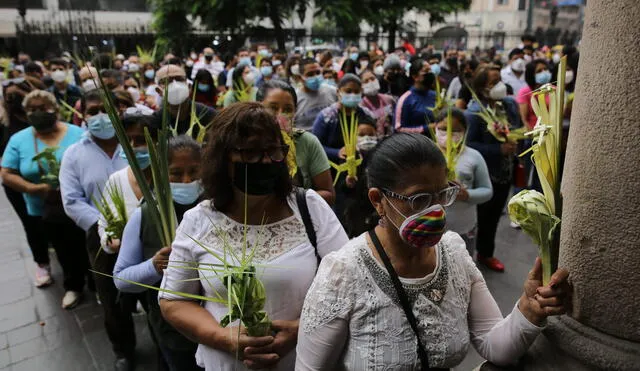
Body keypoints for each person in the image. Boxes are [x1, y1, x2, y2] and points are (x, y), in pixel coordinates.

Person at [296, 132, 571, 370]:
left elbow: (494, 345)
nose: (436, 210)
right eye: (420, 199)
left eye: (442, 194)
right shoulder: (342, 271)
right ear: (378, 200)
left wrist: (529, 309)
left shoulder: (453, 252)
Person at [157, 103, 349, 371]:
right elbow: (174, 300)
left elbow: (349, 285)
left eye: (273, 150)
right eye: (250, 153)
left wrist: (302, 328)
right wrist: (224, 338)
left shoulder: (310, 207)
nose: (266, 161)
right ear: (222, 159)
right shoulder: (198, 221)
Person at [58, 89, 134, 370]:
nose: (100, 116)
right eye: (93, 111)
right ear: (83, 115)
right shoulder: (74, 155)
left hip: (142, 230)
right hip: (102, 237)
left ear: (119, 111)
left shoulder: (135, 144)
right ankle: (123, 350)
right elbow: (72, 201)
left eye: (106, 109)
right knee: (111, 297)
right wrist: (106, 228)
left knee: (153, 290)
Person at [114, 135, 204, 371]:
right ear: (160, 173)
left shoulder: (218, 205)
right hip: (174, 330)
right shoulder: (145, 215)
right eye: (176, 173)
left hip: (221, 322)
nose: (186, 180)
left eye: (194, 171)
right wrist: (154, 266)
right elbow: (122, 279)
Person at [1, 90, 88, 309]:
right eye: (33, 109)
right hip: (45, 208)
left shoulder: (77, 133)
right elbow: (7, 173)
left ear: (56, 109)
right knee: (63, 248)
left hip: (82, 204)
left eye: (43, 108)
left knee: (88, 245)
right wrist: (35, 188)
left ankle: (98, 285)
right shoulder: (19, 140)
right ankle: (73, 286)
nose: (38, 113)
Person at [465, 64, 522, 272]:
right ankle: (466, 257)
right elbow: (468, 145)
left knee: (493, 218)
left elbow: (516, 128)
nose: (500, 85)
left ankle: (485, 253)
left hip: (504, 173)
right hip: (483, 174)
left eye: (500, 80)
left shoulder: (507, 106)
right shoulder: (474, 113)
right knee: (476, 219)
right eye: (494, 82)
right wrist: (498, 149)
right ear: (482, 88)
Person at [257, 80, 335, 205]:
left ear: (295, 111)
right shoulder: (247, 144)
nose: (280, 115)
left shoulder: (307, 142)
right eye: (272, 108)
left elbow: (328, 194)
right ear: (257, 107)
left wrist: (292, 200)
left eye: (288, 109)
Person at [433, 108, 492, 256]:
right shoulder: (425, 154)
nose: (448, 133)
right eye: (443, 129)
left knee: (464, 267)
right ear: (435, 128)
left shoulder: (474, 156)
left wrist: (466, 194)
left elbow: (487, 190)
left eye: (455, 130)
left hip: (463, 228)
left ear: (465, 132)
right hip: (430, 228)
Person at [312, 73, 375, 163]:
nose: (352, 95)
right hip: (333, 167)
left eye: (356, 91)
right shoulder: (327, 117)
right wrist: (337, 152)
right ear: (338, 92)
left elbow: (376, 138)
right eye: (348, 91)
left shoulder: (366, 114)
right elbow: (315, 146)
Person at [151, 65, 215, 139]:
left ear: (189, 87)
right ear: (159, 91)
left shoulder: (208, 115)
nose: (175, 85)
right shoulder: (155, 122)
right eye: (167, 81)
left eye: (179, 79)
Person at [394, 59, 437, 134]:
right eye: (426, 71)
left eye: (430, 70)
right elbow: (399, 128)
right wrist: (426, 128)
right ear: (415, 77)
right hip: (415, 143)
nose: (430, 73)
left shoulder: (434, 95)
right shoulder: (406, 99)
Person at [294, 58, 337, 131]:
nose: (315, 77)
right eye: (310, 74)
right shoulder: (295, 98)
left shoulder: (332, 91)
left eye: (318, 73)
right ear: (300, 78)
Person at [517, 59, 552, 130]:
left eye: (545, 69)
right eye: (539, 71)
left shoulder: (553, 90)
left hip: (553, 131)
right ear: (532, 75)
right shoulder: (525, 92)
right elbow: (524, 119)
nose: (544, 72)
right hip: (534, 133)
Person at [360, 69, 395, 137]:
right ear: (361, 86)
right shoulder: (361, 106)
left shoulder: (389, 99)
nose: (370, 82)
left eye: (372, 79)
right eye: (366, 81)